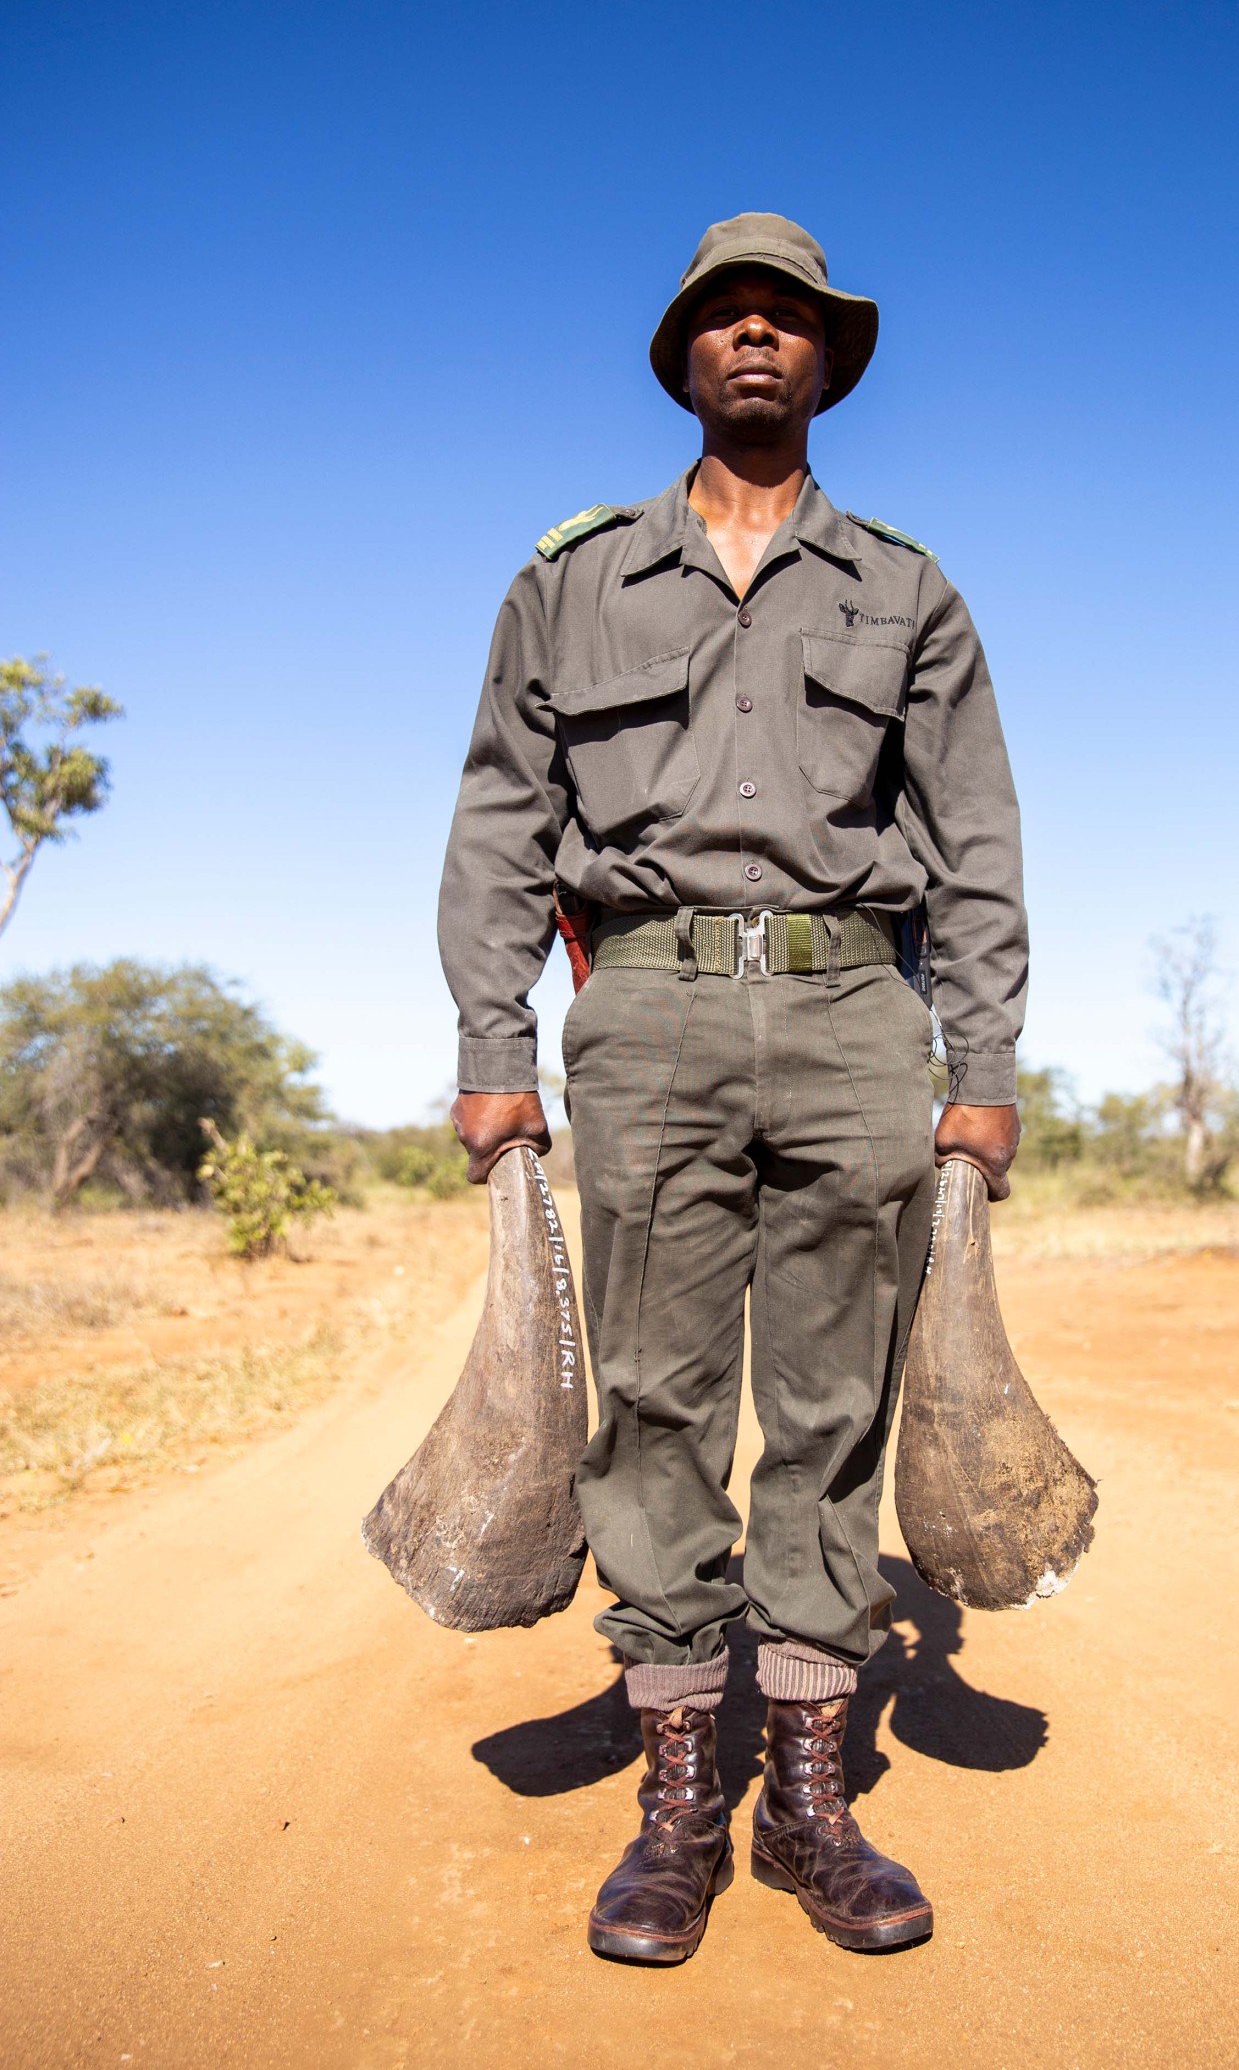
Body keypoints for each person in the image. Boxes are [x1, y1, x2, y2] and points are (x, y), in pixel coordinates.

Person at [440, 213, 1027, 1961]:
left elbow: (977, 844)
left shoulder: (906, 588)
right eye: (723, 318)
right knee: (660, 1400)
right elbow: (496, 823)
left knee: (834, 1409)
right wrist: (494, 1047)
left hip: (857, 1020)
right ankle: (680, 1798)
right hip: (650, 1020)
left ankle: (811, 1800)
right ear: (683, 359)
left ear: (828, 365)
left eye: (788, 321)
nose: (755, 339)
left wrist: (980, 1067)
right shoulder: (569, 579)